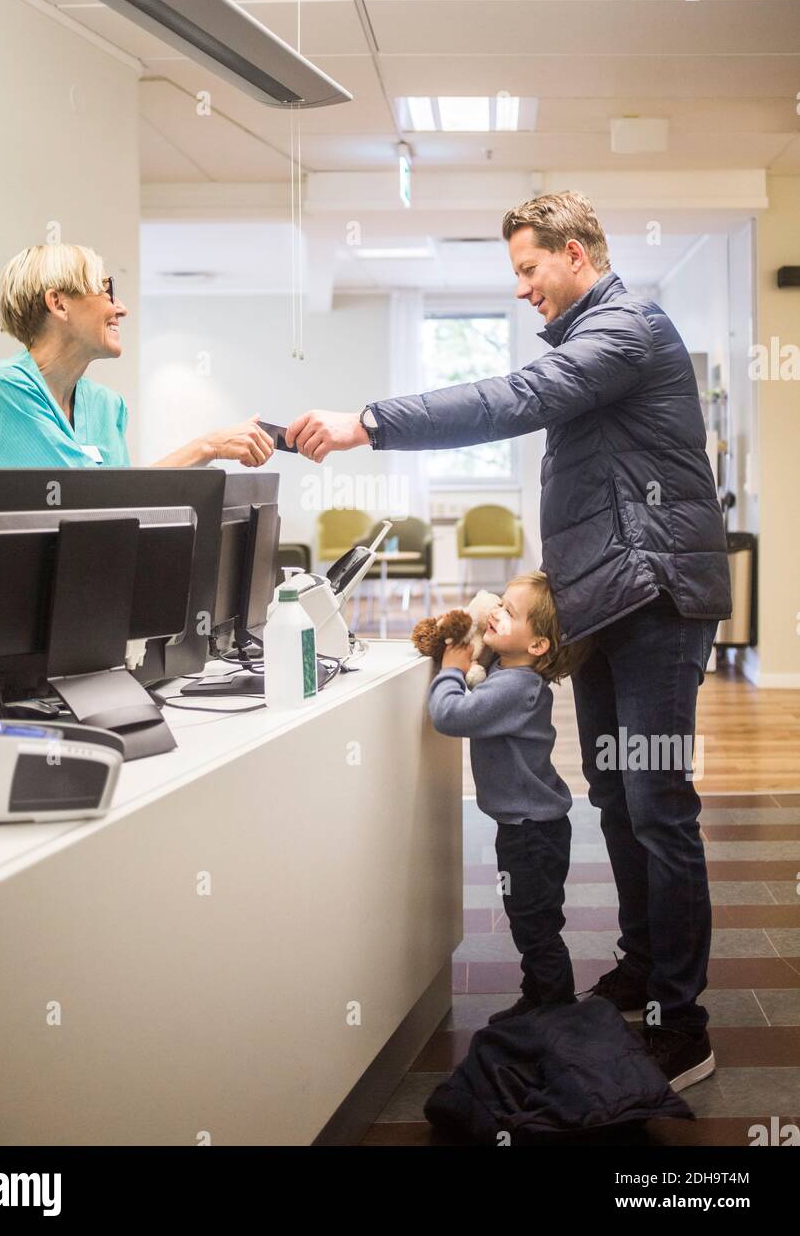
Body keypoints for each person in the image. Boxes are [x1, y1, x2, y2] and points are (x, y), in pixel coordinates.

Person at [286, 190, 732, 1093]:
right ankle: (642, 977)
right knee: (614, 793)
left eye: (529, 269)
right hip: (607, 602)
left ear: (576, 252)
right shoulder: (592, 338)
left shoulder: (627, 329)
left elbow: (514, 398)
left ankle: (681, 1024)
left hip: (655, 597)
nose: (523, 288)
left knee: (656, 803)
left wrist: (368, 421)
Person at [0, 243, 275, 470]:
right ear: (59, 304)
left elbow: (123, 509)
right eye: (106, 291)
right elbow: (86, 503)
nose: (120, 307)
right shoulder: (4, 390)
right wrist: (207, 446)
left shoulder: (106, 405)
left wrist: (210, 448)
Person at [429, 572, 588, 1018]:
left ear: (538, 646)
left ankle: (556, 1012)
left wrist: (450, 671)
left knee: (535, 927)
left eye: (509, 613)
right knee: (530, 922)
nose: (496, 612)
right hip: (529, 827)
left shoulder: (515, 689)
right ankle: (539, 998)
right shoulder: (506, 671)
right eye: (500, 603)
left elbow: (450, 715)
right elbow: (483, 667)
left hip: (530, 835)